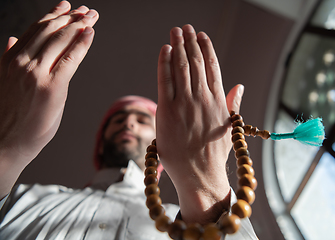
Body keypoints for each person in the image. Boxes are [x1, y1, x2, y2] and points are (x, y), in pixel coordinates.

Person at [0, 1, 258, 239]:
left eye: (143, 120)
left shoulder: (180, 224)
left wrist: (206, 184)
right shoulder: (24, 199)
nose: (129, 124)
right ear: (100, 144)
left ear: (165, 142)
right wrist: (6, 145)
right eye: (119, 119)